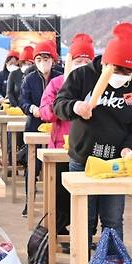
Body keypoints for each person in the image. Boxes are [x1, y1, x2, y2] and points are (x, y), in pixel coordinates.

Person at [54, 23, 132, 246]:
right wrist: (76, 107)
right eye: (116, 70)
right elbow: (59, 105)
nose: (121, 76)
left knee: (113, 219)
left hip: (116, 164)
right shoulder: (82, 76)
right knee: (83, 218)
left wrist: (131, 147)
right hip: (83, 158)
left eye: (128, 72)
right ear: (106, 62)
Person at [39, 33, 95, 245]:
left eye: (86, 61)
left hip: (90, 149)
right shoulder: (56, 83)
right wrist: (66, 98)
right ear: (69, 61)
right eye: (78, 61)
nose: (81, 65)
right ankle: (60, 233)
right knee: (62, 197)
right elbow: (45, 112)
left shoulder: (97, 85)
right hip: (61, 148)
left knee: (90, 198)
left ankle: (87, 235)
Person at [19, 41, 61, 217]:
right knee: (33, 166)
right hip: (35, 125)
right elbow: (22, 101)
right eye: (39, 59)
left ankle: (58, 205)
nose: (43, 62)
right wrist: (32, 109)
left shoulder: (60, 77)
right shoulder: (29, 79)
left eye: (46, 58)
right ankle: (30, 201)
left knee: (58, 166)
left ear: (53, 59)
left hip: (57, 126)